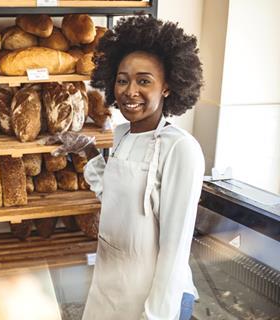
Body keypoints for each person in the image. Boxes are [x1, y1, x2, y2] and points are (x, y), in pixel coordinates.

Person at [46, 16, 204, 319]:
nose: (130, 91)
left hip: (157, 299)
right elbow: (114, 196)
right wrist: (87, 148)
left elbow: (175, 249)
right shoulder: (122, 134)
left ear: (168, 86)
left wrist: (154, 315)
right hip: (112, 285)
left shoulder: (180, 149)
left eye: (144, 81)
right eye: (122, 80)